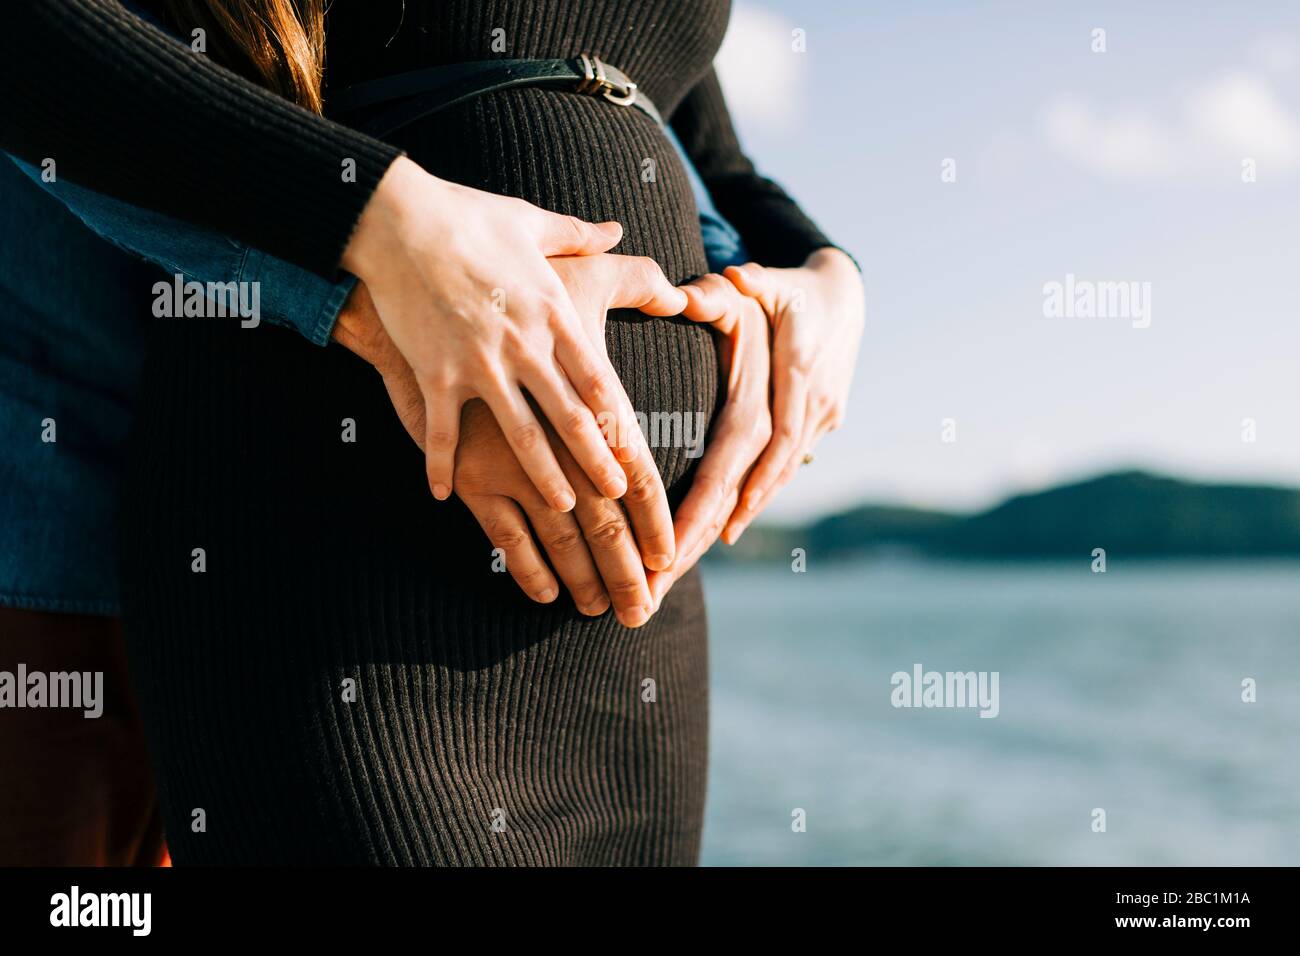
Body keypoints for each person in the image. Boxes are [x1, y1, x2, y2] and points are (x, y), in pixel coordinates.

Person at [0, 0, 865, 865]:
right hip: (332, 538)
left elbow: (707, 148)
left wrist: (826, 277)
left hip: (638, 625)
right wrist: (382, 226)